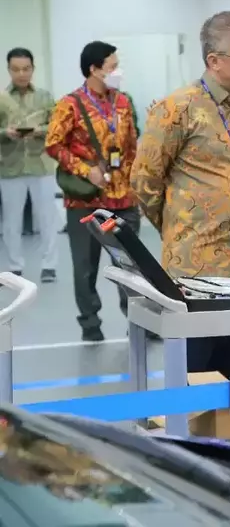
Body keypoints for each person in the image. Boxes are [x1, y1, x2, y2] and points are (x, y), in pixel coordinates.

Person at [132, 11, 230, 378]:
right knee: (194, 376)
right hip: (196, 271)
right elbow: (145, 180)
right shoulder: (177, 109)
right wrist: (180, 228)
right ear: (214, 60)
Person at [45, 41, 140, 342]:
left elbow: (132, 147)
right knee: (86, 267)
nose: (117, 71)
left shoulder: (124, 102)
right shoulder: (69, 105)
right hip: (86, 202)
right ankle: (90, 324)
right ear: (94, 69)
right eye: (112, 66)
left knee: (129, 264)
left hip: (122, 200)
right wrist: (87, 171)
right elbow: (53, 144)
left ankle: (139, 321)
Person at [1, 48, 58, 282]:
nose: (21, 74)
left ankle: (49, 265)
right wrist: (6, 133)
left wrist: (38, 131)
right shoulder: (2, 98)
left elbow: (57, 127)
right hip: (10, 167)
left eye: (26, 69)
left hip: (41, 165)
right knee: (11, 221)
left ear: (33, 69)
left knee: (47, 218)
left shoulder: (45, 97)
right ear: (8, 70)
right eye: (16, 69)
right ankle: (15, 266)